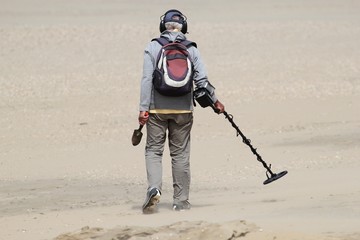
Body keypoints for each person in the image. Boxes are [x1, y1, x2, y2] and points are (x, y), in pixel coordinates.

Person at [138, 9, 225, 214]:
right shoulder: (191, 48)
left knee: (153, 151)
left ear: (163, 27)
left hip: (156, 109)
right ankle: (181, 201)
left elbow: (146, 80)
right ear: (183, 28)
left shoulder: (153, 47)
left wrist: (143, 109)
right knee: (180, 154)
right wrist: (216, 102)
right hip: (184, 111)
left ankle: (154, 189)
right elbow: (202, 82)